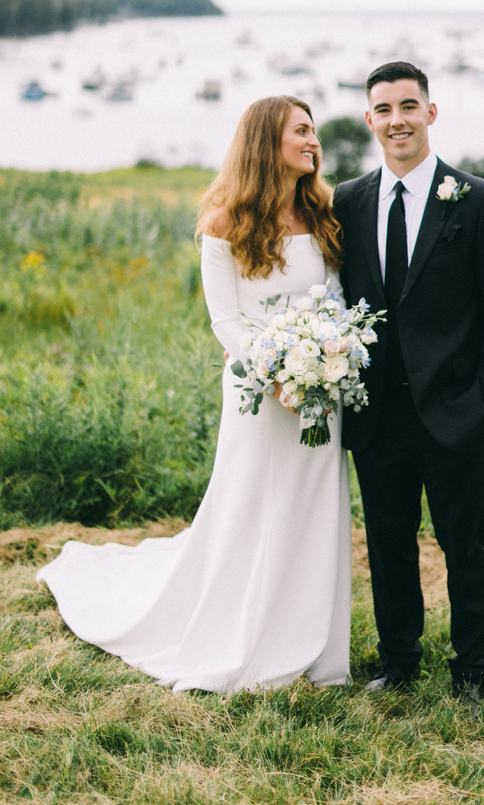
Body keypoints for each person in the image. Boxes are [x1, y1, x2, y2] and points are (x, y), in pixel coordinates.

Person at [37, 95, 352, 693]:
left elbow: (336, 300)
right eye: (301, 131)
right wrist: (276, 373)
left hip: (320, 394)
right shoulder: (225, 224)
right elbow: (225, 323)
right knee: (251, 509)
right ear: (267, 142)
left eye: (313, 132)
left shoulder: (328, 215)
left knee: (313, 513)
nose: (313, 141)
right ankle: (245, 633)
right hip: (259, 396)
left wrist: (325, 363)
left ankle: (316, 644)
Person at [333, 62, 484, 713]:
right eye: (384, 110)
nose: (398, 120)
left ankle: (471, 672)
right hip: (376, 415)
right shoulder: (347, 201)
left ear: (431, 113)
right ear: (370, 120)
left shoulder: (480, 200)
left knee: (462, 546)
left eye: (409, 106)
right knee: (387, 545)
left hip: (454, 413)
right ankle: (398, 661)